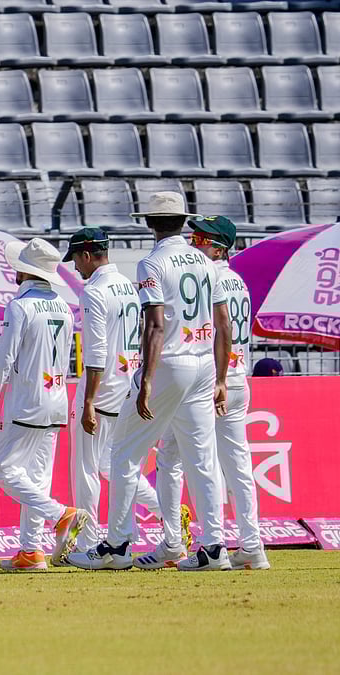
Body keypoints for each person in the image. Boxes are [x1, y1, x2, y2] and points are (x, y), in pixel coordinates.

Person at [69, 192, 232, 572]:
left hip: (170, 364)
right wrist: (221, 377)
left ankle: (117, 545)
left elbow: (156, 325)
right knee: (203, 460)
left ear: (150, 223)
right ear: (182, 221)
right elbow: (224, 324)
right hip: (204, 361)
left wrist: (146, 383)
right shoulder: (207, 261)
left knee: (124, 453)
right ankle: (213, 548)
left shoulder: (152, 262)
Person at [142, 216, 270, 570]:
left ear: (219, 247)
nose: (194, 242)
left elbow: (213, 329)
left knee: (174, 458)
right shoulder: (237, 281)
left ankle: (181, 542)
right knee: (237, 465)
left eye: (201, 238)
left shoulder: (209, 277)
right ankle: (252, 544)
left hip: (211, 379)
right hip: (237, 377)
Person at [0, 238, 90, 572]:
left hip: (26, 400)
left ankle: (61, 515)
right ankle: (31, 550)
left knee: (6, 472)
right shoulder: (63, 307)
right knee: (36, 480)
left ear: (25, 270)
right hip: (56, 398)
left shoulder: (20, 306)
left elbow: (4, 359)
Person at [63, 228, 163, 558]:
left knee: (87, 469)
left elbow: (96, 351)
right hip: (127, 387)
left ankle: (90, 541)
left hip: (102, 390)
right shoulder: (127, 286)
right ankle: (167, 513)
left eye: (77, 259)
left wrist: (89, 400)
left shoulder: (93, 291)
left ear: (88, 256)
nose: (76, 267)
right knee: (117, 465)